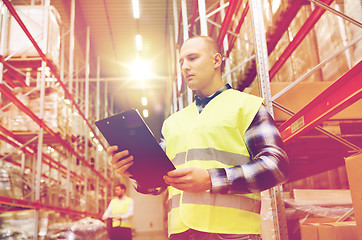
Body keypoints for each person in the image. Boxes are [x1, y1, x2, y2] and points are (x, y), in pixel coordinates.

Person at [107, 35, 289, 240]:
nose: (185, 66)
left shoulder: (247, 107)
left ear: (216, 61)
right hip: (180, 233)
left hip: (232, 233)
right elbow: (157, 183)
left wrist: (211, 180)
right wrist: (134, 171)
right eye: (181, 61)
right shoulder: (172, 123)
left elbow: (276, 166)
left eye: (192, 58)